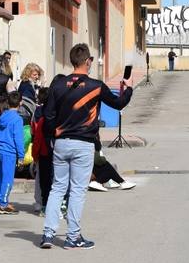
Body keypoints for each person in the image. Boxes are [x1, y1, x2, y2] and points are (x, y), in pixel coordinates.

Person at [38, 43, 133, 250]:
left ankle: (48, 234)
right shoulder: (96, 86)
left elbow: (48, 116)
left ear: (72, 61)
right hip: (83, 143)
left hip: (61, 143)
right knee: (78, 191)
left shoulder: (58, 85)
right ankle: (73, 237)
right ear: (88, 61)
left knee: (57, 188)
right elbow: (118, 104)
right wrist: (129, 88)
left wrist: (54, 135)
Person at [0, 91, 24, 215]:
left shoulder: (3, 116)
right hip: (9, 151)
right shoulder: (17, 119)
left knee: (0, 177)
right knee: (7, 178)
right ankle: (3, 204)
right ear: (20, 103)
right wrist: (21, 156)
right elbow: (18, 138)